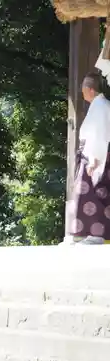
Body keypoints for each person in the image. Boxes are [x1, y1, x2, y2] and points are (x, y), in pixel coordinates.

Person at [66, 73, 110, 245]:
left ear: (90, 90)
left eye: (84, 89)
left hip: (96, 154)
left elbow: (99, 135)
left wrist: (94, 159)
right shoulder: (100, 105)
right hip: (93, 153)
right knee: (90, 194)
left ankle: (96, 234)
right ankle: (89, 233)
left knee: (93, 194)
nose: (82, 92)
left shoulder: (100, 107)